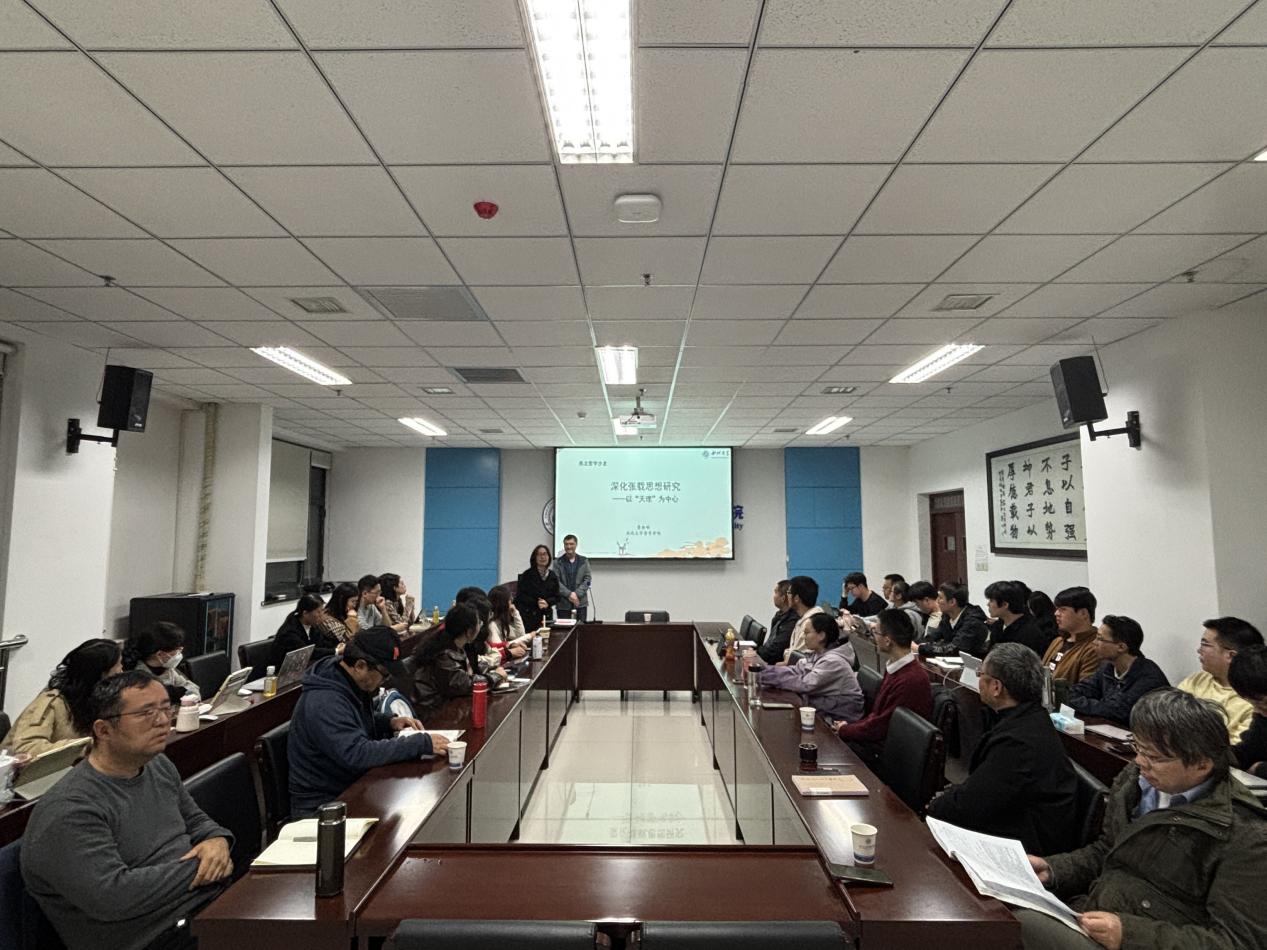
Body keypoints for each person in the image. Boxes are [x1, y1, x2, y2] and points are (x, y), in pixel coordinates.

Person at [1020, 689, 1267, 950]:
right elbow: (1109, 850)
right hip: (1095, 912)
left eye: (1155, 757)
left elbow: (1238, 941)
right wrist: (1054, 869)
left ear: (1202, 765)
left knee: (1021, 923)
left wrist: (1129, 935)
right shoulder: (1137, 783)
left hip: (1135, 938)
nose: (1139, 762)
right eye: (1138, 747)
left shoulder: (1244, 835)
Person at [21, 669, 234, 950]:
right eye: (146, 713)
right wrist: (203, 867)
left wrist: (217, 840)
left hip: (204, 905)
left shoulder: (156, 765)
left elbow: (195, 820)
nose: (163, 721)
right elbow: (114, 897)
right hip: (153, 936)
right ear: (103, 730)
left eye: (165, 708)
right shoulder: (70, 809)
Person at [926, 643, 1079, 854]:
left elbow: (973, 803)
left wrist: (932, 807)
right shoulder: (1030, 718)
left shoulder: (1018, 742)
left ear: (996, 687)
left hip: (1025, 845)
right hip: (1014, 819)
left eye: (980, 674)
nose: (978, 680)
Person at [288, 626, 446, 817]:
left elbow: (353, 721)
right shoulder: (325, 701)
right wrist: (419, 743)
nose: (385, 681)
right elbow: (357, 754)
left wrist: (388, 722)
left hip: (350, 786)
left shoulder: (345, 679)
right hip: (323, 805)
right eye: (384, 674)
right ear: (360, 666)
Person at [835, 609, 933, 766]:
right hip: (879, 741)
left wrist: (846, 730)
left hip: (888, 754)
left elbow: (880, 726)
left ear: (888, 640)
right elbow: (877, 717)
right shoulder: (897, 667)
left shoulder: (911, 679)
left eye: (876, 632)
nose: (874, 636)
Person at [2, 638, 122, 757]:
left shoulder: (99, 701)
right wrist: (85, 747)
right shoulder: (52, 702)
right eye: (119, 665)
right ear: (101, 674)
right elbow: (26, 748)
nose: (121, 671)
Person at [751, 613, 863, 723]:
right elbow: (795, 670)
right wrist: (762, 670)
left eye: (807, 633)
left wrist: (763, 677)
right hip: (823, 709)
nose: (804, 637)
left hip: (838, 717)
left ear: (821, 635)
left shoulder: (834, 662)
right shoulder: (818, 654)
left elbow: (805, 684)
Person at [1065, 615, 1170, 726]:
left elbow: (1116, 711)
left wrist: (1079, 702)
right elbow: (1077, 691)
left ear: (1121, 647)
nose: (1094, 642)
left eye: (1099, 639)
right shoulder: (1108, 667)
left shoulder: (1148, 677)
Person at [1176, 616, 1263, 743]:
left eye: (1205, 645)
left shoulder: (1254, 699)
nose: (1199, 650)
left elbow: (1235, 748)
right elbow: (1168, 716)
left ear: (1231, 655)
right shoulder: (1197, 680)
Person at [411, 605, 504, 717]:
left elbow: (468, 670)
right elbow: (465, 684)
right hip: (434, 712)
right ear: (469, 632)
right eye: (479, 623)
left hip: (448, 705)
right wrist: (496, 677)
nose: (481, 625)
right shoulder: (443, 656)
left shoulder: (455, 645)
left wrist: (489, 669)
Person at [1040, 587, 1101, 685]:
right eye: (1057, 609)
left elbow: (1086, 688)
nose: (1056, 614)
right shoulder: (1057, 641)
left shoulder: (1094, 647)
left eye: (1063, 609)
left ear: (1083, 613)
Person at [122, 622, 195, 700]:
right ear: (160, 654)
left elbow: (192, 688)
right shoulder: (138, 676)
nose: (179, 654)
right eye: (177, 650)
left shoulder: (167, 669)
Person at [917, 582, 989, 658]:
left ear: (952, 602)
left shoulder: (973, 621)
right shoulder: (947, 616)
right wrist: (916, 644)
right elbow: (933, 636)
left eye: (940, 598)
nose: (937, 601)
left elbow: (955, 648)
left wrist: (920, 649)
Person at [1228, 644, 1267, 777]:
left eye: (1263, 703)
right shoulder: (1262, 718)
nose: (1259, 711)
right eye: (1253, 704)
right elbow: (1248, 751)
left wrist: (1259, 769)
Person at [984, 580, 1049, 656]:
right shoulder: (999, 625)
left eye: (991, 601)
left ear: (1005, 605)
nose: (988, 604)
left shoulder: (1030, 633)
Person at [271, 592, 330, 668]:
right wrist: (336, 651)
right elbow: (307, 653)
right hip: (283, 670)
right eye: (318, 612)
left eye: (322, 611)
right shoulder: (290, 631)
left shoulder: (313, 626)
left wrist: (337, 647)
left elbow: (321, 644)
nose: (321, 615)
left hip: (304, 667)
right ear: (305, 613)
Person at [515, 544, 561, 632]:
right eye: (539, 554)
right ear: (534, 558)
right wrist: (537, 602)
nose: (542, 557)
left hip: (546, 615)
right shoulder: (527, 575)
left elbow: (557, 597)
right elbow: (520, 596)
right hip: (529, 615)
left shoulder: (552, 575)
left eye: (545, 554)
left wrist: (547, 602)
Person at [756, 579, 799, 665]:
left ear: (783, 598)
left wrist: (756, 652)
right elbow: (770, 643)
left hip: (774, 663)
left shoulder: (792, 621)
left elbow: (775, 651)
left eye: (776, 593)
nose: (774, 596)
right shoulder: (779, 615)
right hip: (766, 657)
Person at [784, 575, 824, 659]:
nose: (787, 596)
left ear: (796, 598)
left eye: (789, 592)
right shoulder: (803, 619)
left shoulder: (811, 624)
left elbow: (795, 658)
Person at [552, 534, 591, 622]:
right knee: (564, 629)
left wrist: (576, 594)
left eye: (571, 544)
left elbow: (588, 580)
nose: (569, 547)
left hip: (580, 603)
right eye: (566, 544)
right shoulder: (557, 562)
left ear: (576, 545)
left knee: (581, 629)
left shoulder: (584, 561)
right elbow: (555, 581)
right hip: (563, 604)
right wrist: (569, 594)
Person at [487, 585, 531, 661]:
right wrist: (530, 636)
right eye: (509, 600)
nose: (512, 601)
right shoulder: (491, 625)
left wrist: (515, 613)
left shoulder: (501, 620)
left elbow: (520, 635)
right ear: (503, 604)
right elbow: (498, 650)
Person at [315, 581, 359, 651]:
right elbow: (348, 641)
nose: (355, 605)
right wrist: (352, 619)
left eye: (356, 601)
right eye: (353, 601)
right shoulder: (327, 620)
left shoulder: (343, 613)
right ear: (341, 601)